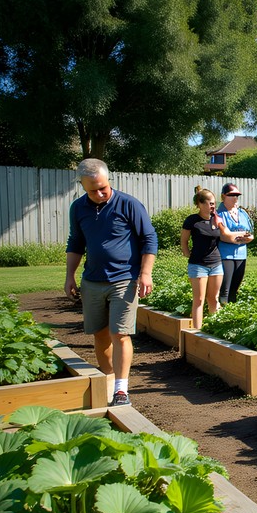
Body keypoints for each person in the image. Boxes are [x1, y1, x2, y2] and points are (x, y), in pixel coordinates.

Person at [65, 158, 157, 407]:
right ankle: (108, 380)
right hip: (92, 280)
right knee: (100, 334)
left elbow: (149, 239)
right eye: (92, 189)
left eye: (103, 187)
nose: (99, 193)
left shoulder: (128, 204)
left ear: (108, 181)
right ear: (82, 185)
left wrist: (145, 273)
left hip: (124, 279)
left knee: (120, 333)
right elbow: (75, 243)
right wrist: (69, 276)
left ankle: (121, 390)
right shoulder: (78, 208)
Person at [181, 188, 246, 329]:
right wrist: (187, 253)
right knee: (199, 300)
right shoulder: (192, 220)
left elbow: (227, 234)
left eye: (214, 203)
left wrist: (242, 236)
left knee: (213, 298)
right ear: (200, 203)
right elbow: (184, 241)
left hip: (216, 263)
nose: (213, 206)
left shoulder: (216, 219)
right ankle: (197, 332)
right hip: (198, 265)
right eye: (210, 203)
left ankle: (212, 329)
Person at [217, 182, 255, 305]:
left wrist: (240, 237)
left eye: (237, 195)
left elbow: (250, 234)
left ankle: (231, 314)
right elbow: (224, 236)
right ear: (223, 196)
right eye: (231, 195)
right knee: (225, 288)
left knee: (235, 288)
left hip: (241, 255)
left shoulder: (243, 213)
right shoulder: (219, 214)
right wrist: (241, 236)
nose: (235, 198)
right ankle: (221, 313)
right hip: (225, 255)